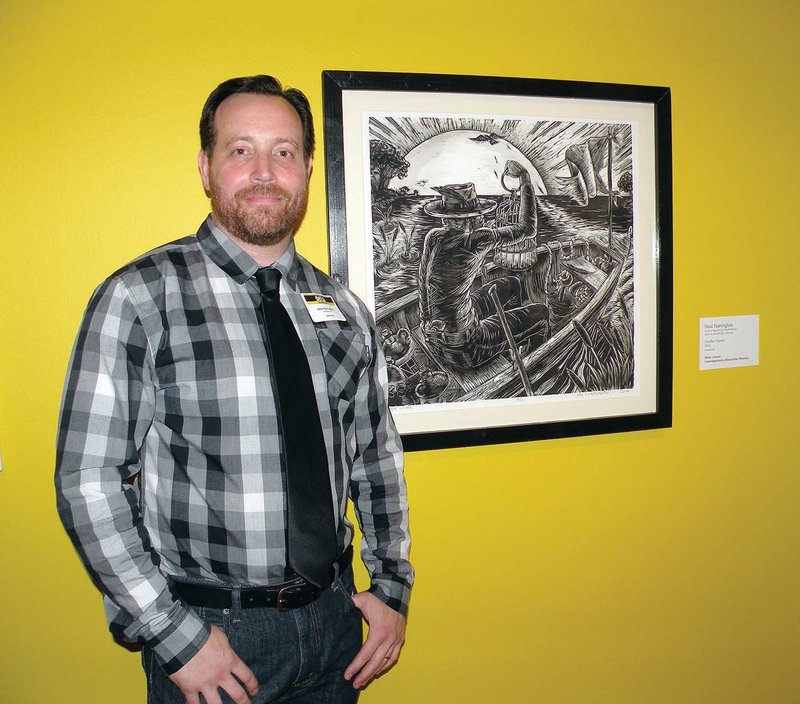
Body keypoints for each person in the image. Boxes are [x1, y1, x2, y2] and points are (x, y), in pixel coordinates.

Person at [55, 75, 412, 704]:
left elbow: (377, 458)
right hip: (213, 637)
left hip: (335, 626)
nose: (265, 171)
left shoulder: (345, 308)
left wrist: (390, 590)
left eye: (283, 151)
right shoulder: (140, 297)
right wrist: (176, 638)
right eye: (240, 150)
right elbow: (89, 479)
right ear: (206, 166)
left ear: (305, 167)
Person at [418, 161, 550, 368]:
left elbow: (422, 284)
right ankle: (531, 362)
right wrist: (524, 178)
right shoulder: (478, 240)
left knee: (513, 284)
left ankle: (510, 338)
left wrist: (428, 325)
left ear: (446, 219)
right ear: (472, 218)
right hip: (468, 349)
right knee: (542, 313)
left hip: (435, 337)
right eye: (479, 214)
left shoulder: (433, 237)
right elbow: (527, 228)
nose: (482, 216)